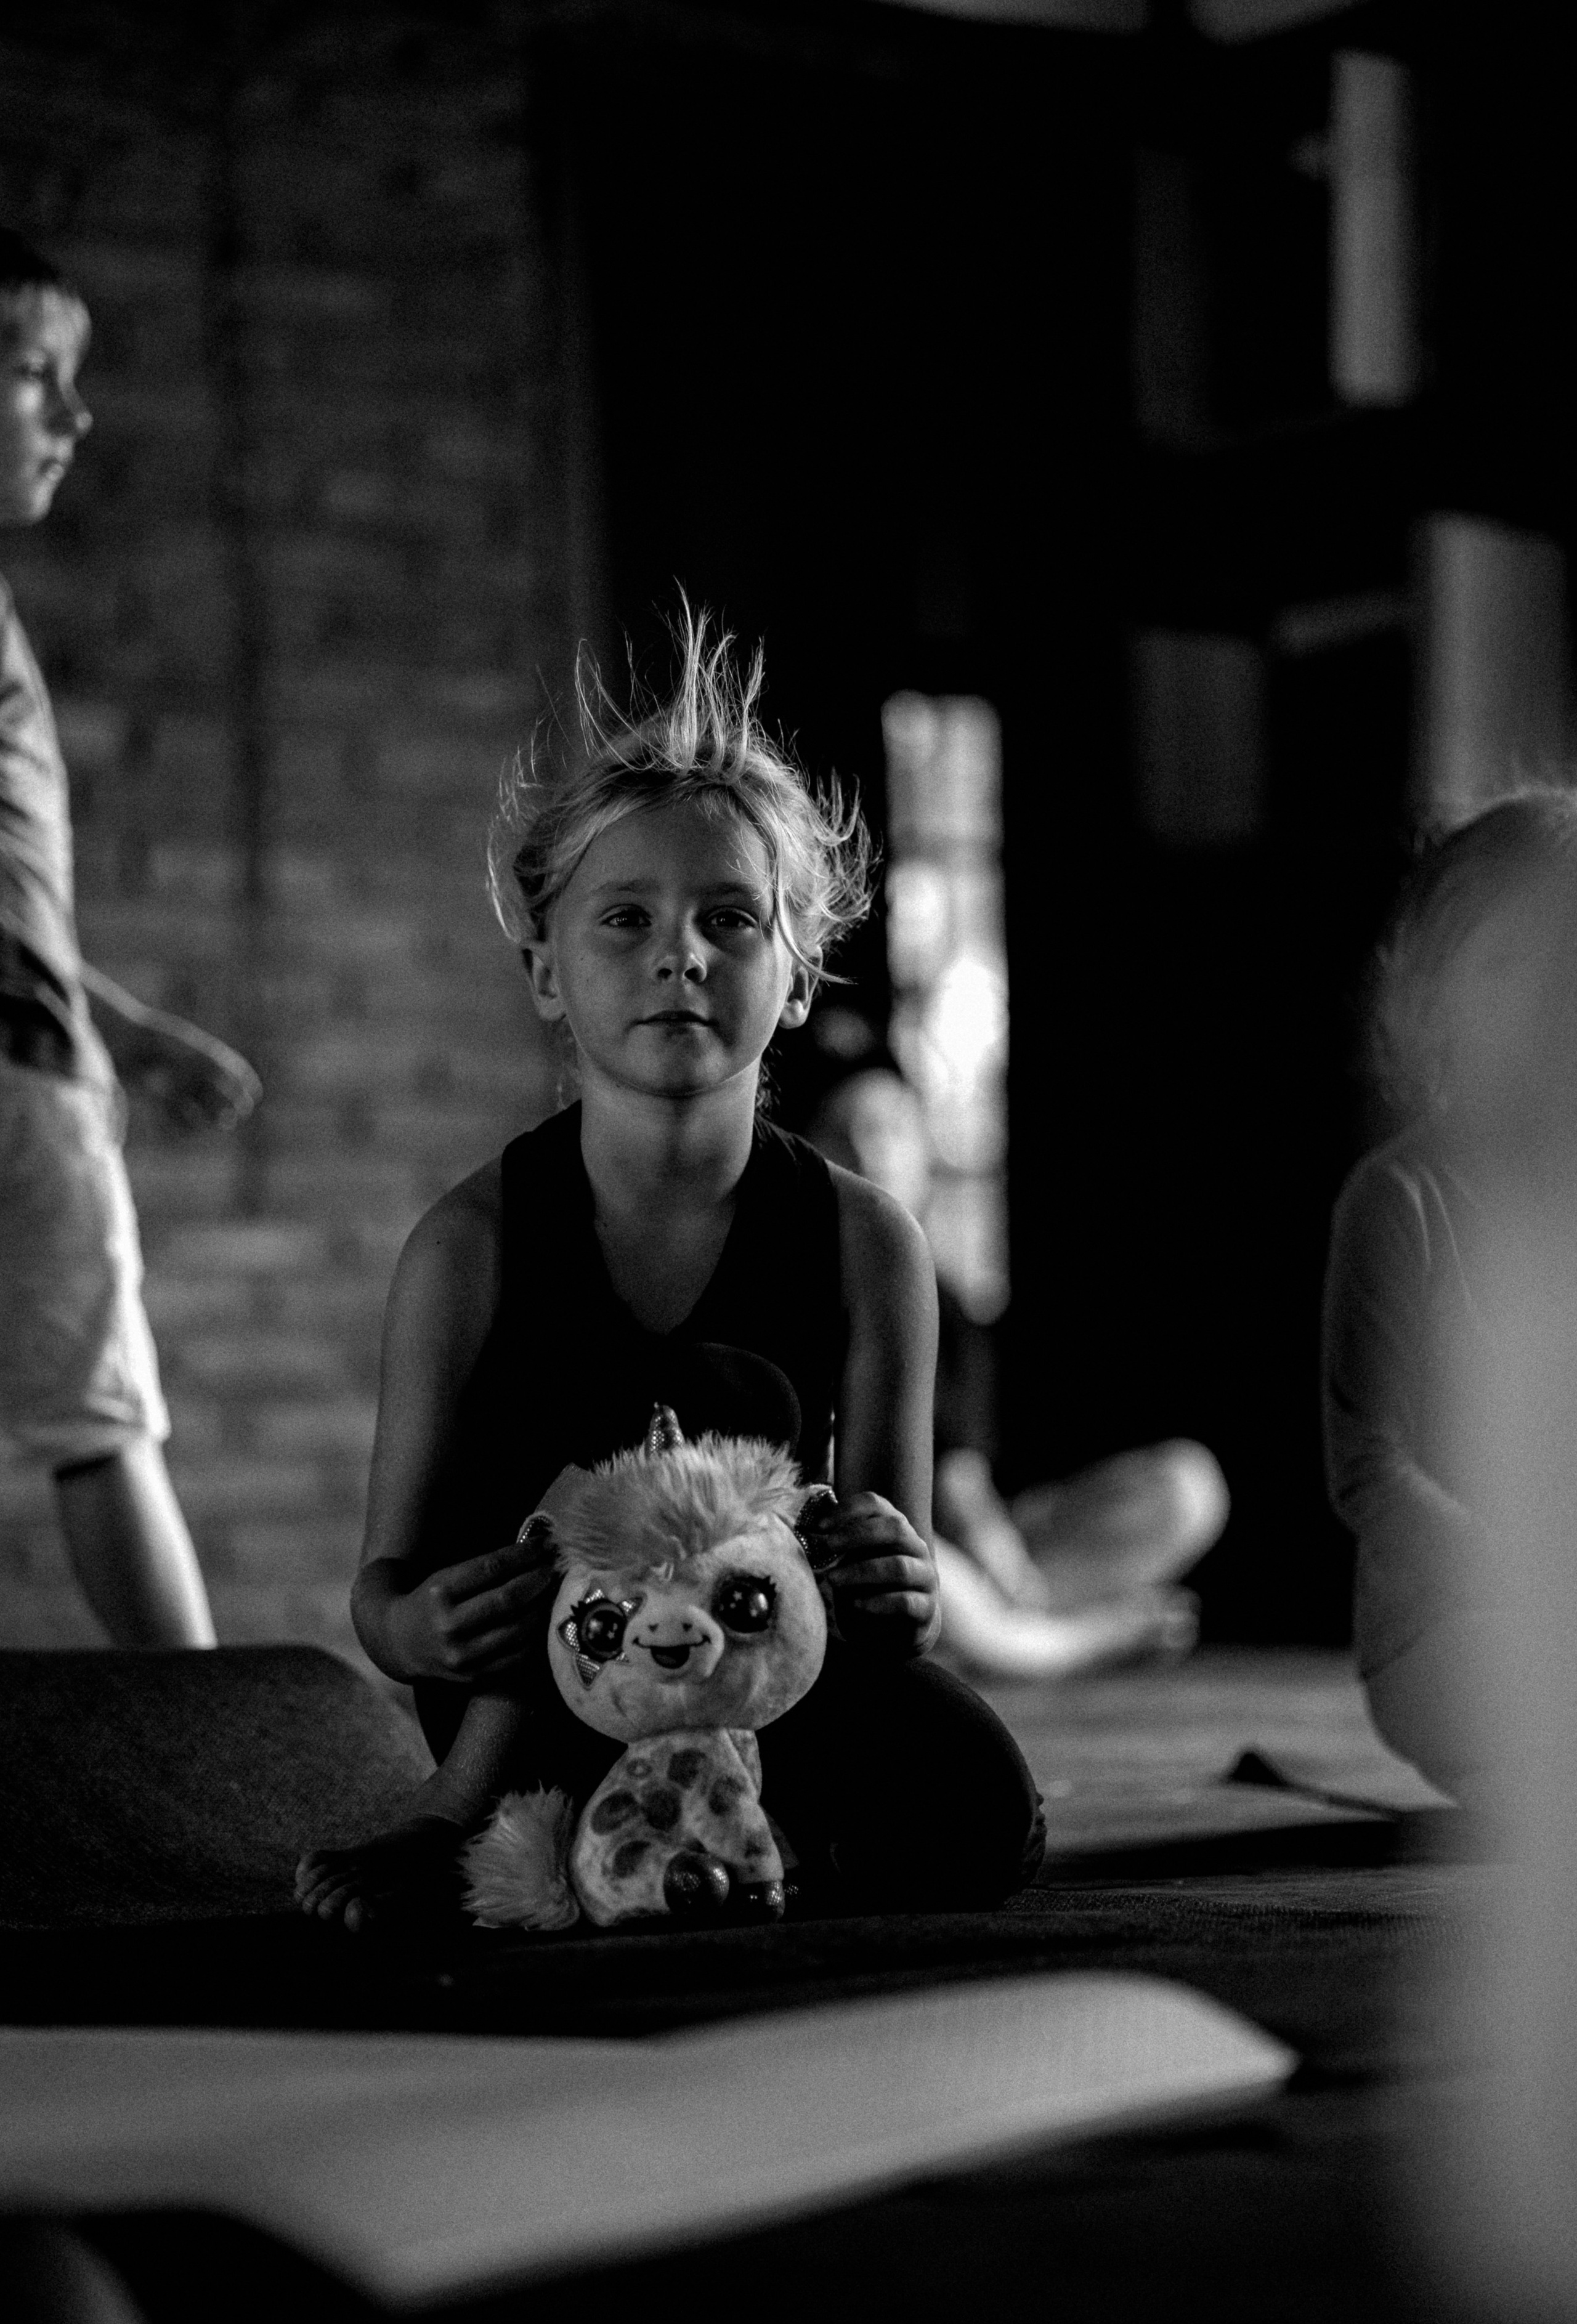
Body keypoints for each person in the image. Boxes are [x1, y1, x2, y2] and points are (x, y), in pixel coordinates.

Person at [296, 607, 1044, 1929]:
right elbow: (383, 1589)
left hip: (766, 1684)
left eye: (730, 920)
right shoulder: (468, 1246)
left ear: (798, 975)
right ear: (542, 969)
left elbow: (891, 1602)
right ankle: (456, 1827)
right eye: (625, 918)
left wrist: (905, 1583)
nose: (678, 953)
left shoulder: (867, 1243)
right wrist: (422, 1635)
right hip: (537, 1710)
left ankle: (719, 1842)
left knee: (986, 1807)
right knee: (638, 1441)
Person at [1, 229, 259, 1648]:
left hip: (39, 1046)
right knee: (102, 1427)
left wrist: (123, 1024)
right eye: (35, 373)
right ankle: (218, 1755)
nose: (73, 416)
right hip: (19, 1086)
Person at [803, 1064, 1226, 1680]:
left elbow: (963, 1479)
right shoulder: (796, 1281)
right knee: (894, 1556)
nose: (870, 1150)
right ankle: (1072, 1642)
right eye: (847, 1132)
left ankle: (1003, 1630)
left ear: (924, 1150)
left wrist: (1002, 1558)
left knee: (1188, 1486)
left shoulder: (941, 1296)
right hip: (873, 1539)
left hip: (979, 1547)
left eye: (890, 1129)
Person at [1321, 786, 1577, 1802]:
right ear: (1432, 992)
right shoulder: (1397, 1199)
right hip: (1451, 1632)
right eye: (1505, 967)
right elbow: (1368, 1472)